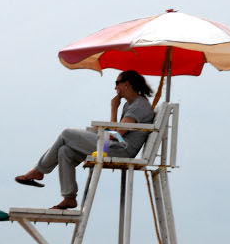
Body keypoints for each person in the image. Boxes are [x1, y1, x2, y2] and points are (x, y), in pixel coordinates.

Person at [14, 69, 156, 210]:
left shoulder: (138, 106)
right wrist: (113, 112)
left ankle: (39, 171)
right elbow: (116, 133)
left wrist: (113, 109)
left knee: (67, 133)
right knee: (65, 151)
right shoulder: (130, 104)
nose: (115, 87)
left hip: (121, 150)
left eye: (117, 83)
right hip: (115, 146)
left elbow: (117, 134)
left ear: (127, 84)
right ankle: (69, 198)